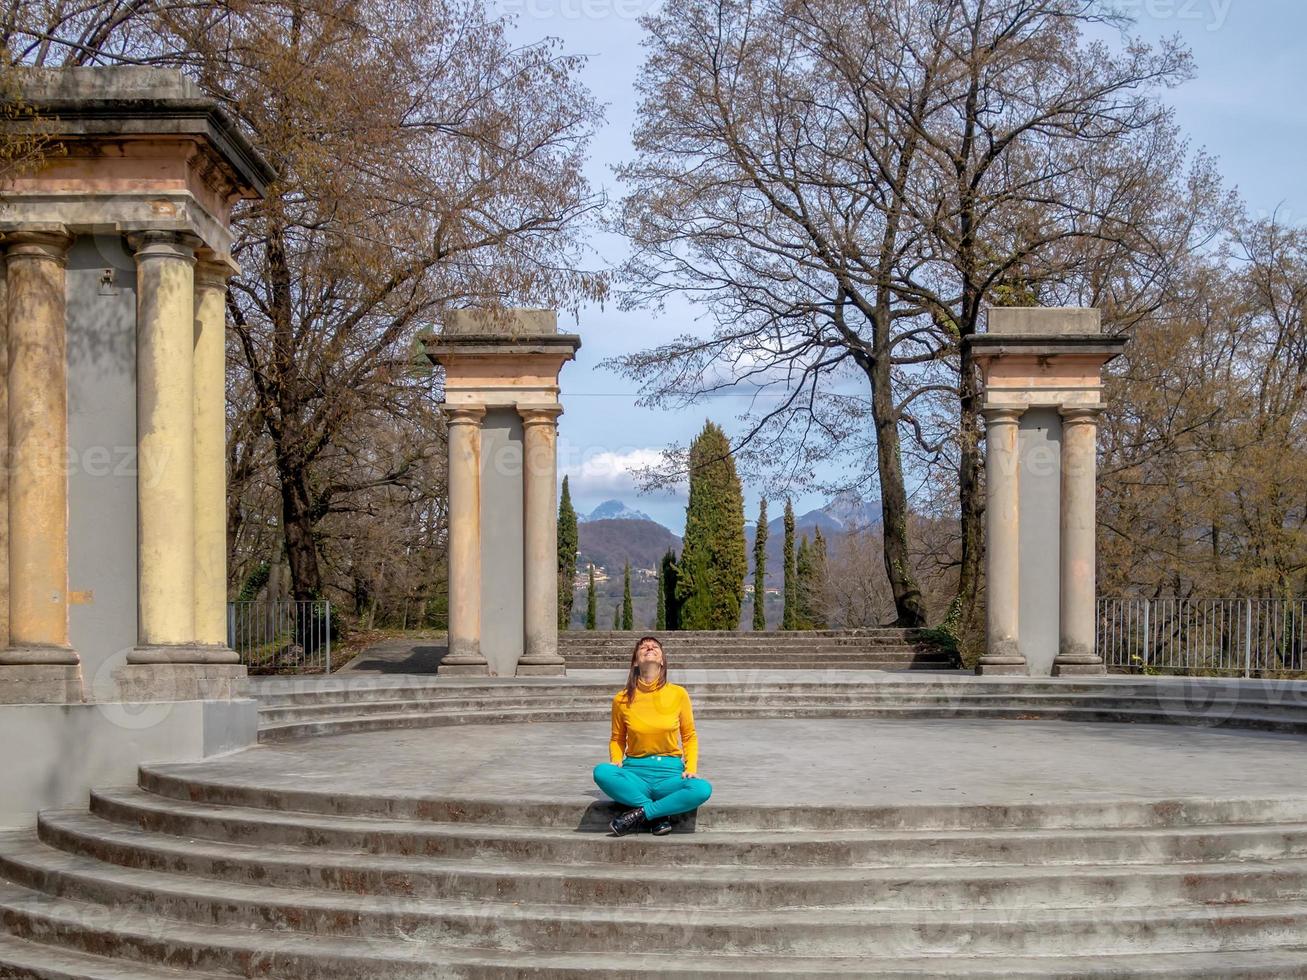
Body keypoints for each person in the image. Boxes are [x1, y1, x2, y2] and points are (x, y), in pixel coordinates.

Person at [592, 635, 712, 836]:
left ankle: (640, 813)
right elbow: (617, 738)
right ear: (636, 661)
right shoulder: (621, 699)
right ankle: (656, 814)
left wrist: (690, 768)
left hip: (670, 773)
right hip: (636, 772)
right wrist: (615, 760)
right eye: (643, 647)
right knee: (602, 772)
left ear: (662, 661)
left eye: (655, 646)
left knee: (701, 789)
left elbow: (689, 735)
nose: (649, 647)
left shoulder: (678, 694)